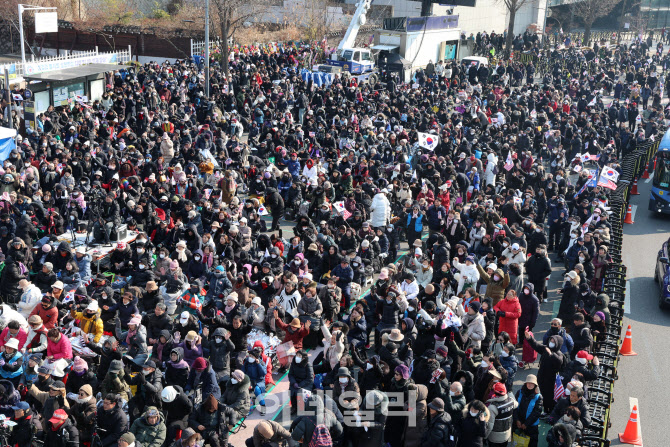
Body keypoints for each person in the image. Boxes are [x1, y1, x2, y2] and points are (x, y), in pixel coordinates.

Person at [513, 375, 543, 447]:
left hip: (531, 427)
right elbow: (514, 407)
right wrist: (517, 420)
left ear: (535, 385)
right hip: (518, 424)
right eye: (528, 382)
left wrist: (526, 424)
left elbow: (536, 413)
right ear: (525, 383)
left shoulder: (538, 397)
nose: (530, 384)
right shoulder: (519, 392)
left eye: (532, 383)